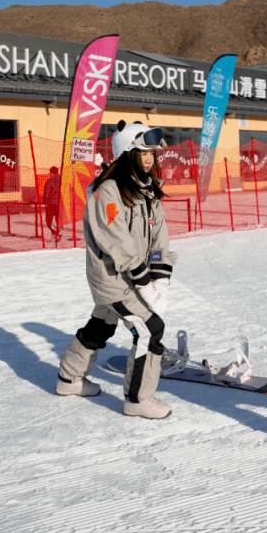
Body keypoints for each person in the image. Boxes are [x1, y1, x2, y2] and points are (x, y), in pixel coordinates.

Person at [55, 120, 177, 419]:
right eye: (142, 153)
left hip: (133, 276)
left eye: (152, 153)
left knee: (102, 324)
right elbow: (117, 239)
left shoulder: (148, 191)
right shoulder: (106, 192)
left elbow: (159, 236)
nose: (149, 159)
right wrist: (143, 279)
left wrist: (160, 277)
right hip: (111, 279)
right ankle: (137, 399)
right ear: (126, 154)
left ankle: (69, 379)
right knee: (151, 329)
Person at [42, 166, 61, 238]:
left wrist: (45, 202)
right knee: (58, 221)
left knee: (48, 220)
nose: (49, 174)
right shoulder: (62, 180)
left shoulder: (50, 181)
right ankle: (58, 233)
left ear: (52, 173)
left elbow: (46, 193)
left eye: (50, 172)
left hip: (51, 204)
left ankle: (54, 233)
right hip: (60, 204)